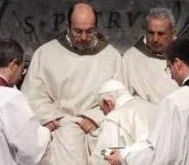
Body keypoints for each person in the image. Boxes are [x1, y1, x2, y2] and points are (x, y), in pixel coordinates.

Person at [21, 1, 123, 165]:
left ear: (96, 27)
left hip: (97, 129)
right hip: (62, 129)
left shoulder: (111, 57)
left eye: (89, 31)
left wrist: (95, 117)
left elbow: (119, 97)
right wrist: (49, 116)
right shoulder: (46, 54)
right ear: (68, 26)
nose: (83, 37)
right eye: (78, 31)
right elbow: (33, 94)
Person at [107, 38, 189, 165]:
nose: (171, 76)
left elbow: (164, 155)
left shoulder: (176, 101)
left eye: (169, 68)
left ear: (178, 64)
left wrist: (124, 157)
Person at [0, 39, 52, 165]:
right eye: (22, 69)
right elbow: (30, 149)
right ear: (13, 64)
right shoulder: (9, 98)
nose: (21, 76)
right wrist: (46, 133)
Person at [90, 80, 157, 165]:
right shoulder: (154, 108)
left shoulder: (113, 119)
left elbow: (101, 159)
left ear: (107, 103)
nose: (105, 114)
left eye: (103, 110)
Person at [123, 7, 178, 104]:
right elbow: (123, 97)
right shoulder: (131, 57)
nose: (155, 39)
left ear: (173, 33)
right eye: (151, 33)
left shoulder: (185, 55)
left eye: (161, 34)